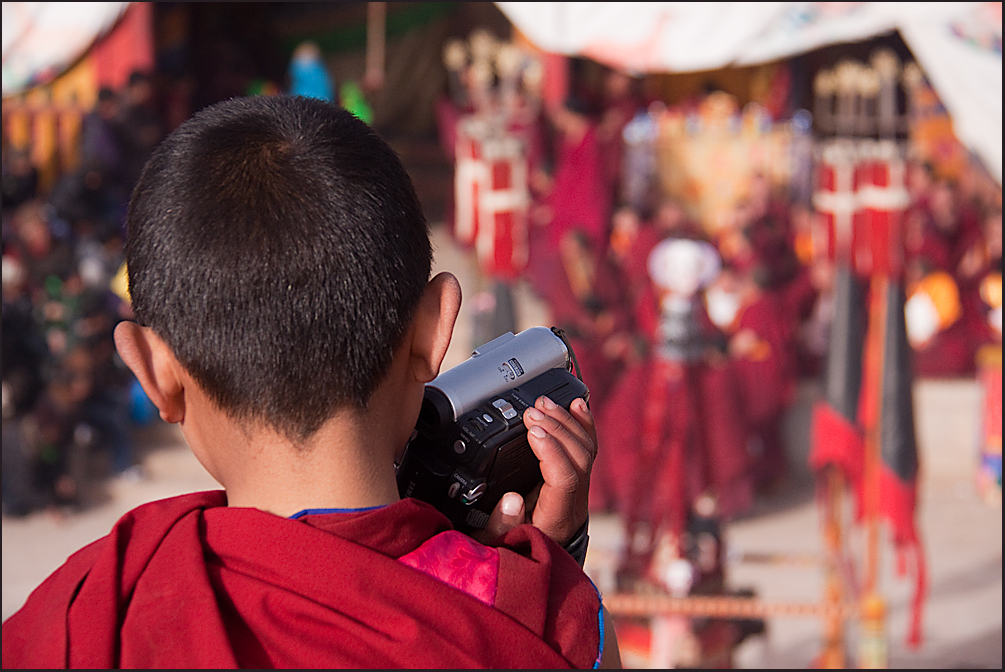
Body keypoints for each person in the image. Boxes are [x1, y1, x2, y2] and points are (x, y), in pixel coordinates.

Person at [2, 96, 620, 669]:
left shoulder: (87, 616)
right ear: (435, 330)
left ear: (155, 374)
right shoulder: (548, 624)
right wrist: (549, 567)